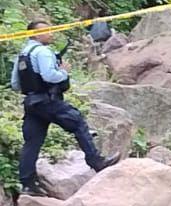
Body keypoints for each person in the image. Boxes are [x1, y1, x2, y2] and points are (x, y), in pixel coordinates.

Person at [10, 22, 117, 195]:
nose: (51, 33)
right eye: (47, 31)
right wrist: (64, 71)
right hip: (48, 101)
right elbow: (50, 76)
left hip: (31, 104)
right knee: (77, 121)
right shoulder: (43, 52)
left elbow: (15, 84)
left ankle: (28, 184)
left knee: (32, 143)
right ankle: (96, 161)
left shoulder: (22, 54)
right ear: (35, 34)